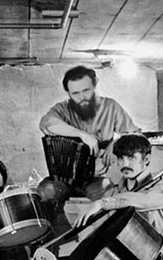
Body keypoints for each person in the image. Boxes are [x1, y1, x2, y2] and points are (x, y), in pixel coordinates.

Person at [39, 65, 141, 204]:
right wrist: (82, 135)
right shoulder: (63, 108)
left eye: (86, 90)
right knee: (43, 195)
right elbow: (46, 122)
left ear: (95, 85)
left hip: (97, 179)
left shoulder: (111, 107)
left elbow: (135, 134)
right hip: (63, 179)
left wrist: (116, 142)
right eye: (75, 93)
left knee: (110, 201)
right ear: (69, 93)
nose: (82, 97)